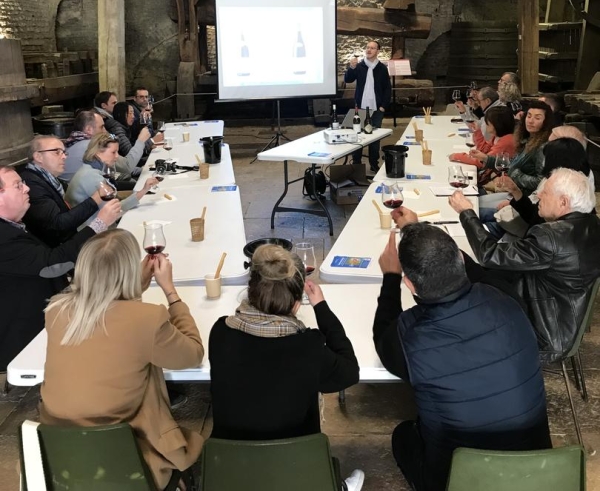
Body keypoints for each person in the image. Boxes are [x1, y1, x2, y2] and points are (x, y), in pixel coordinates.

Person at [374, 223, 550, 491]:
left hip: (458, 480)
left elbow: (382, 337)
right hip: (538, 468)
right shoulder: (507, 297)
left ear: (409, 283)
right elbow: (479, 274)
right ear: (460, 258)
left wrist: (390, 277)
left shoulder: (407, 337)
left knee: (403, 434)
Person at [40, 230, 204, 490]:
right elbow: (193, 354)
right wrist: (171, 292)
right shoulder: (147, 319)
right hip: (127, 461)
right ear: (128, 270)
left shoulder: (56, 311)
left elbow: (107, 321)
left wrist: (132, 287)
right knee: (149, 368)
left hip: (59, 457)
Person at [208, 244, 364, 491]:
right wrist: (321, 307)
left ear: (251, 290)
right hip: (296, 467)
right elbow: (350, 371)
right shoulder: (309, 347)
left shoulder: (220, 333)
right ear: (296, 302)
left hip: (230, 467)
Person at [449, 168, 600, 364]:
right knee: (462, 261)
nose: (538, 194)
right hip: (562, 316)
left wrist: (466, 213)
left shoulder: (552, 237)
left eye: (545, 193)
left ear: (563, 202)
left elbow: (489, 255)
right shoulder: (592, 225)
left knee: (457, 287)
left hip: (542, 332)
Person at [0, 164, 116, 371]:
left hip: (49, 305)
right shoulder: (3, 237)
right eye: (18, 186)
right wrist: (99, 224)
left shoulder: (11, 226)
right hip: (30, 328)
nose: (27, 189)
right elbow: (52, 265)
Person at [21, 135, 122, 247]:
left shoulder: (49, 179)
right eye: (57, 152)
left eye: (64, 152)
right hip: (56, 251)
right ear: (38, 156)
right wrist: (94, 200)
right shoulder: (32, 185)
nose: (64, 157)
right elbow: (57, 225)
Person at [494, 138, 595, 230]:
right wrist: (515, 191)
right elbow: (533, 216)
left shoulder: (561, 188)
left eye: (546, 158)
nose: (543, 163)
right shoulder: (573, 184)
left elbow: (535, 227)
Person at [477, 100, 553, 223]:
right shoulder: (528, 140)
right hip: (514, 194)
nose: (531, 120)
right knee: (475, 202)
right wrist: (486, 159)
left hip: (524, 201)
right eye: (529, 116)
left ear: (546, 122)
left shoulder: (542, 148)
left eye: (537, 118)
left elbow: (540, 182)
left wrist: (516, 175)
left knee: (475, 210)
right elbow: (511, 163)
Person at [66, 132, 158, 227]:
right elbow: (115, 212)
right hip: (94, 234)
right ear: (97, 152)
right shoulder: (93, 178)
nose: (117, 156)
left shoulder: (89, 169)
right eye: (113, 152)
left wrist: (143, 191)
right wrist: (142, 192)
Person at [61, 109, 149, 185]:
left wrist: (141, 169)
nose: (105, 131)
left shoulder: (73, 142)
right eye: (102, 127)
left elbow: (116, 168)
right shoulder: (92, 145)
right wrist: (141, 141)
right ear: (89, 129)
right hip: (88, 196)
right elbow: (126, 167)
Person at [344, 40, 391, 174]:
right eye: (367, 47)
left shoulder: (381, 68)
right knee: (358, 135)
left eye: (372, 48)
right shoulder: (359, 66)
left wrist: (383, 106)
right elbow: (348, 80)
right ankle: (357, 163)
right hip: (361, 108)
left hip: (376, 108)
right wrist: (351, 68)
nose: (369, 50)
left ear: (377, 51)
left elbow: (387, 88)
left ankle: (374, 163)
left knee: (374, 137)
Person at [449, 105, 516, 185]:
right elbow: (483, 151)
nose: (485, 124)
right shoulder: (498, 136)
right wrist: (477, 131)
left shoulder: (506, 141)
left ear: (497, 125)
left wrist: (458, 156)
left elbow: (482, 162)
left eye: (488, 123)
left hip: (498, 181)